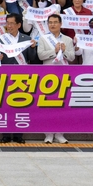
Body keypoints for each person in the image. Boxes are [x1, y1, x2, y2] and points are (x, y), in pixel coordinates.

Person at [35, 14, 72, 144]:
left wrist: (64, 51)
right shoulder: (43, 39)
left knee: (62, 105)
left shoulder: (67, 39)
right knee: (47, 105)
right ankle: (48, 134)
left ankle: (60, 134)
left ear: (60, 24)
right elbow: (40, 56)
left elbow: (72, 57)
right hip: (48, 75)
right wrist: (54, 51)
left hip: (63, 75)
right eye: (50, 22)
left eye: (55, 22)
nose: (53, 24)